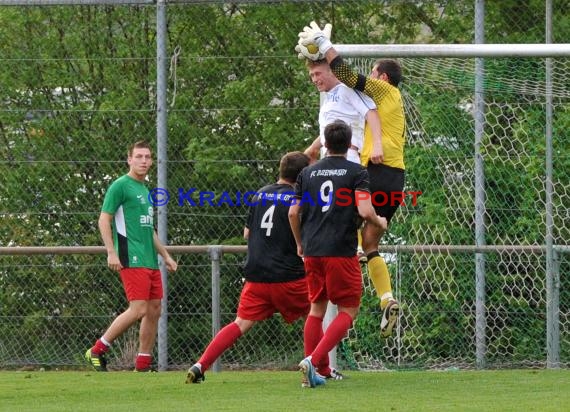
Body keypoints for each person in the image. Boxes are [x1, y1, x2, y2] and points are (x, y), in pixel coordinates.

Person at [186, 151, 341, 385]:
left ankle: (200, 365)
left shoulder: (260, 194)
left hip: (257, 276)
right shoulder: (299, 200)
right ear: (301, 177)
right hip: (288, 277)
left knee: (239, 323)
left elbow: (247, 233)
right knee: (314, 313)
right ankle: (325, 370)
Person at [297, 22, 406, 338]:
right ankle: (387, 299)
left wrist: (324, 43)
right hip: (396, 179)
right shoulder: (393, 106)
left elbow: (346, 75)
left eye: (372, 74)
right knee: (371, 243)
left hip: (375, 173)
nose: (368, 79)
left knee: (340, 235)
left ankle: (345, 302)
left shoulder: (384, 91)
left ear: (381, 78)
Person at [289, 120, 387, 388]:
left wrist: (300, 243)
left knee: (316, 309)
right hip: (340, 250)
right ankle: (314, 360)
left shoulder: (306, 174)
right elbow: (366, 212)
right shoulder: (357, 172)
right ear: (349, 143)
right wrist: (380, 222)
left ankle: (312, 370)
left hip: (312, 250)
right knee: (349, 309)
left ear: (326, 143)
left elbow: (293, 212)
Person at [84, 140, 178, 372]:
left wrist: (165, 255)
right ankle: (97, 350)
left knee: (155, 308)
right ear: (129, 159)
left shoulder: (145, 190)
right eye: (139, 157)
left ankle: (143, 364)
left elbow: (149, 230)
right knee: (138, 309)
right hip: (130, 256)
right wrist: (111, 252)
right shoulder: (120, 186)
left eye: (147, 157)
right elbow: (104, 219)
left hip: (149, 259)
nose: (144, 161)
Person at [302, 58, 384, 167]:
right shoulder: (329, 97)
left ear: (332, 72)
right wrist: (313, 148)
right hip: (329, 158)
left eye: (318, 74)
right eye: (312, 75)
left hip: (347, 156)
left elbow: (371, 113)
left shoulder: (347, 89)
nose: (314, 79)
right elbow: (331, 128)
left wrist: (377, 145)